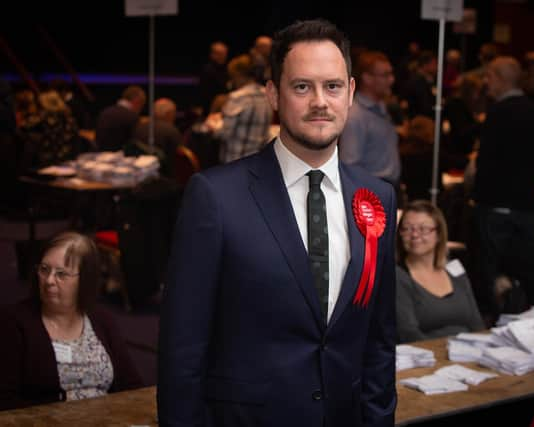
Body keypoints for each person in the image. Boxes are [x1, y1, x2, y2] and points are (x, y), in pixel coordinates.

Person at [158, 19, 397, 427]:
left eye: (333, 86)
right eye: (302, 86)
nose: (320, 101)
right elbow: (182, 350)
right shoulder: (215, 197)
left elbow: (378, 341)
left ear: (351, 92)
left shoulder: (377, 199)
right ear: (273, 94)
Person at [0, 232, 142, 410]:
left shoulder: (102, 320)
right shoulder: (13, 322)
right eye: (44, 269)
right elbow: (5, 402)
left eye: (61, 274)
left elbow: (132, 387)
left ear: (84, 281)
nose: (49, 280)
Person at [470, 56, 534, 318]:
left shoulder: (498, 113)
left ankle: (498, 322)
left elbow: (486, 161)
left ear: (501, 80)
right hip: (528, 207)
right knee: (524, 272)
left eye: (489, 77)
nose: (485, 82)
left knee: (492, 272)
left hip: (496, 205)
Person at [396, 200, 484, 343]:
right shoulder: (397, 277)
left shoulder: (455, 270)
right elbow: (408, 334)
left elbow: (476, 323)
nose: (415, 235)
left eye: (423, 229)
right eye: (407, 228)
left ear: (438, 234)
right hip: (428, 358)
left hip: (470, 355)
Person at [339, 50, 401, 189]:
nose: (391, 80)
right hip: (370, 193)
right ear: (367, 78)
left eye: (391, 74)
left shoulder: (380, 107)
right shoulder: (355, 116)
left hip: (387, 187)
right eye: (385, 75)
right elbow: (349, 166)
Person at [95, 85, 146, 152]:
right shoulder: (132, 116)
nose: (140, 110)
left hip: (99, 155)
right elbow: (135, 144)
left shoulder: (105, 112)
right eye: (141, 105)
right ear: (137, 101)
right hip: (121, 158)